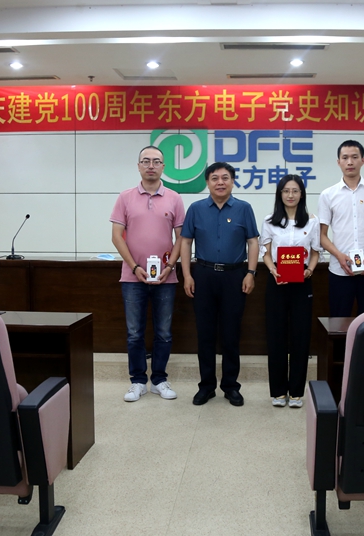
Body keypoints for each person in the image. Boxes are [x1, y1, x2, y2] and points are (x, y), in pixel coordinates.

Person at [179, 162, 260, 406]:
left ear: (233, 181)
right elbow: (185, 242)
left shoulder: (244, 208)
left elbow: (253, 242)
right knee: (205, 333)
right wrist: (187, 275)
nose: (220, 182)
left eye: (225, 178)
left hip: (234, 276)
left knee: (231, 334)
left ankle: (231, 386)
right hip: (203, 275)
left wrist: (251, 273)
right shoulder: (196, 208)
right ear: (207, 182)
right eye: (215, 178)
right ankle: (206, 386)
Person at [110, 145, 184, 402]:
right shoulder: (125, 197)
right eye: (146, 161)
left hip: (166, 278)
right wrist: (134, 266)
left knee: (164, 332)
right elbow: (116, 236)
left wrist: (170, 266)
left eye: (156, 161)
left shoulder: (174, 198)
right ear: (138, 166)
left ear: (163, 166)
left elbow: (182, 238)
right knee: (134, 333)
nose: (151, 165)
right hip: (133, 277)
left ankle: (159, 380)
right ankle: (138, 381)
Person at [260, 174, 321, 408]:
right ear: (280, 194)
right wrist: (273, 270)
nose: (290, 195)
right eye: (286, 191)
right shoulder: (269, 221)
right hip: (276, 280)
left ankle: (296, 392)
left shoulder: (312, 221)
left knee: (300, 336)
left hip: (302, 281)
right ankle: (278, 392)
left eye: (295, 191)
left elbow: (315, 252)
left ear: (301, 194)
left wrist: (310, 270)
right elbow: (265, 252)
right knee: (276, 336)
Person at [318, 139, 364, 316]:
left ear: (362, 160)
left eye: (354, 157)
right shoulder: (328, 195)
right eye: (345, 158)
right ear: (338, 162)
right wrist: (338, 255)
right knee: (338, 321)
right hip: (340, 270)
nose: (350, 162)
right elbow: (321, 235)